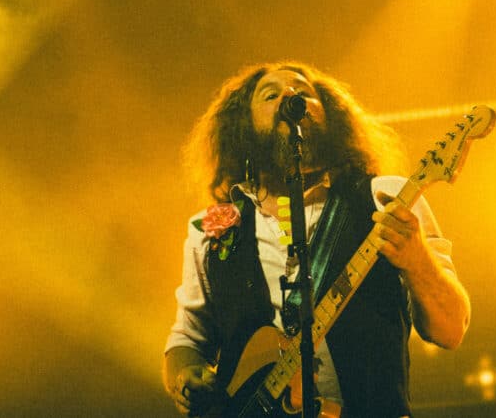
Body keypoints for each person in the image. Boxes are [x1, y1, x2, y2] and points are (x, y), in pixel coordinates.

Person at [164, 62, 471, 418]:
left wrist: (417, 259)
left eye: (304, 92)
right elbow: (187, 339)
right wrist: (186, 377)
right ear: (243, 126)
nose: (290, 95)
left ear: (330, 116)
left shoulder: (385, 197)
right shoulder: (212, 227)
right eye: (270, 95)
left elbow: (451, 330)